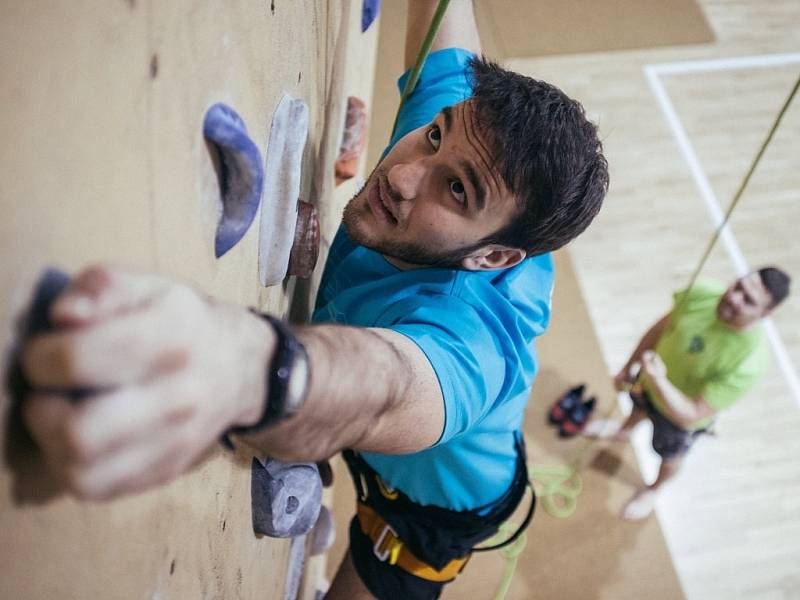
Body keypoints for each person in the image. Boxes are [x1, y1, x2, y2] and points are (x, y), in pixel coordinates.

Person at [19, 1, 608, 598]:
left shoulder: (475, 338)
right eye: (433, 136)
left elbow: (391, 390)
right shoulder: (461, 130)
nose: (403, 175)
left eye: (454, 189)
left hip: (431, 506)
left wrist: (248, 367)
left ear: (494, 258)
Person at [586, 268, 791, 522]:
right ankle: (624, 431)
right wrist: (630, 366)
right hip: (648, 383)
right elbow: (660, 329)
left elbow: (691, 416)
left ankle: (654, 489)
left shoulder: (749, 363)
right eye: (738, 286)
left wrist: (658, 380)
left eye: (748, 300)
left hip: (676, 417)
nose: (734, 298)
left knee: (670, 457)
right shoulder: (703, 292)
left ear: (765, 314)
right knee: (637, 409)